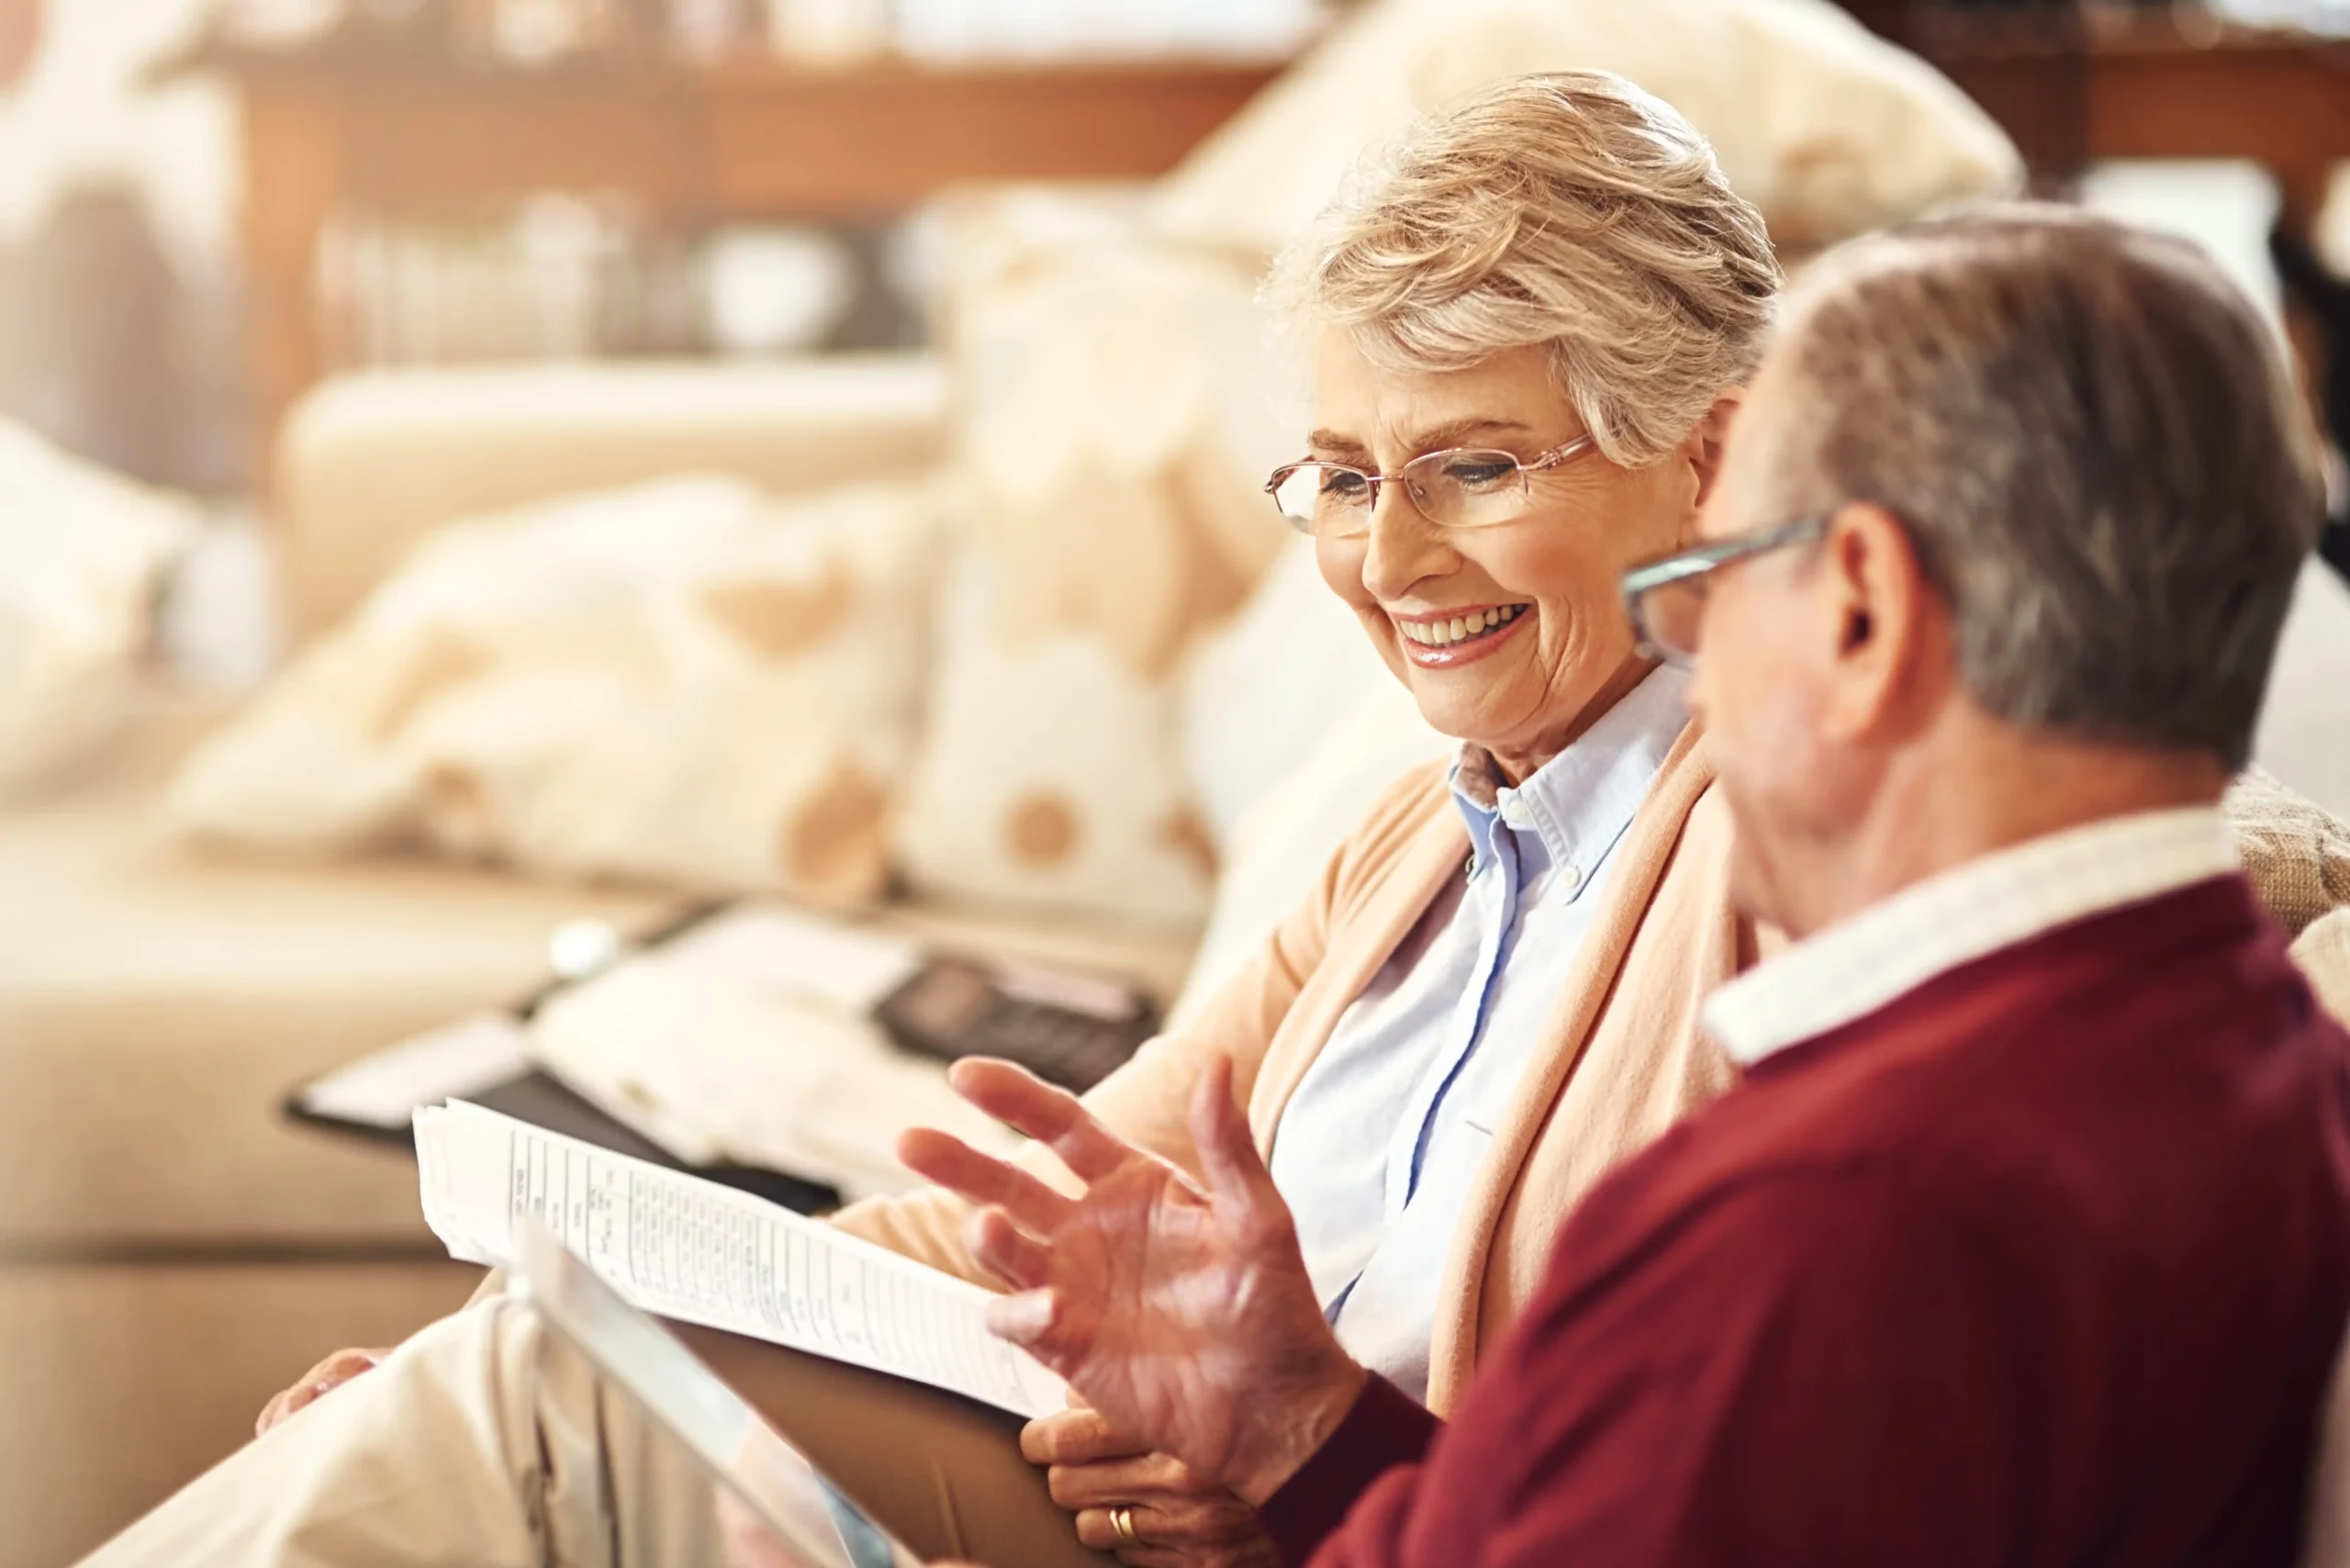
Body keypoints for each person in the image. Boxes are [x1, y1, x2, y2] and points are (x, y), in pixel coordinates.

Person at [84, 73, 1784, 1568]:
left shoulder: (1767, 852)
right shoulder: (1408, 850)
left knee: (528, 1437)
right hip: (1162, 1503)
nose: (1390, 563)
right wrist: (552, 1332)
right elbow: (1028, 1219)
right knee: (526, 1402)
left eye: (1477, 468)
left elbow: (1693, 1469)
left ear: (1709, 461)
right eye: (1343, 477)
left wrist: (1305, 1462)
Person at [899, 205, 2350, 1566]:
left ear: (1860, 605)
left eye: (1722, 569)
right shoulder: (2275, 1065)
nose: (1690, 638)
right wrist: (1301, 1431)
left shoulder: (1823, 1219)